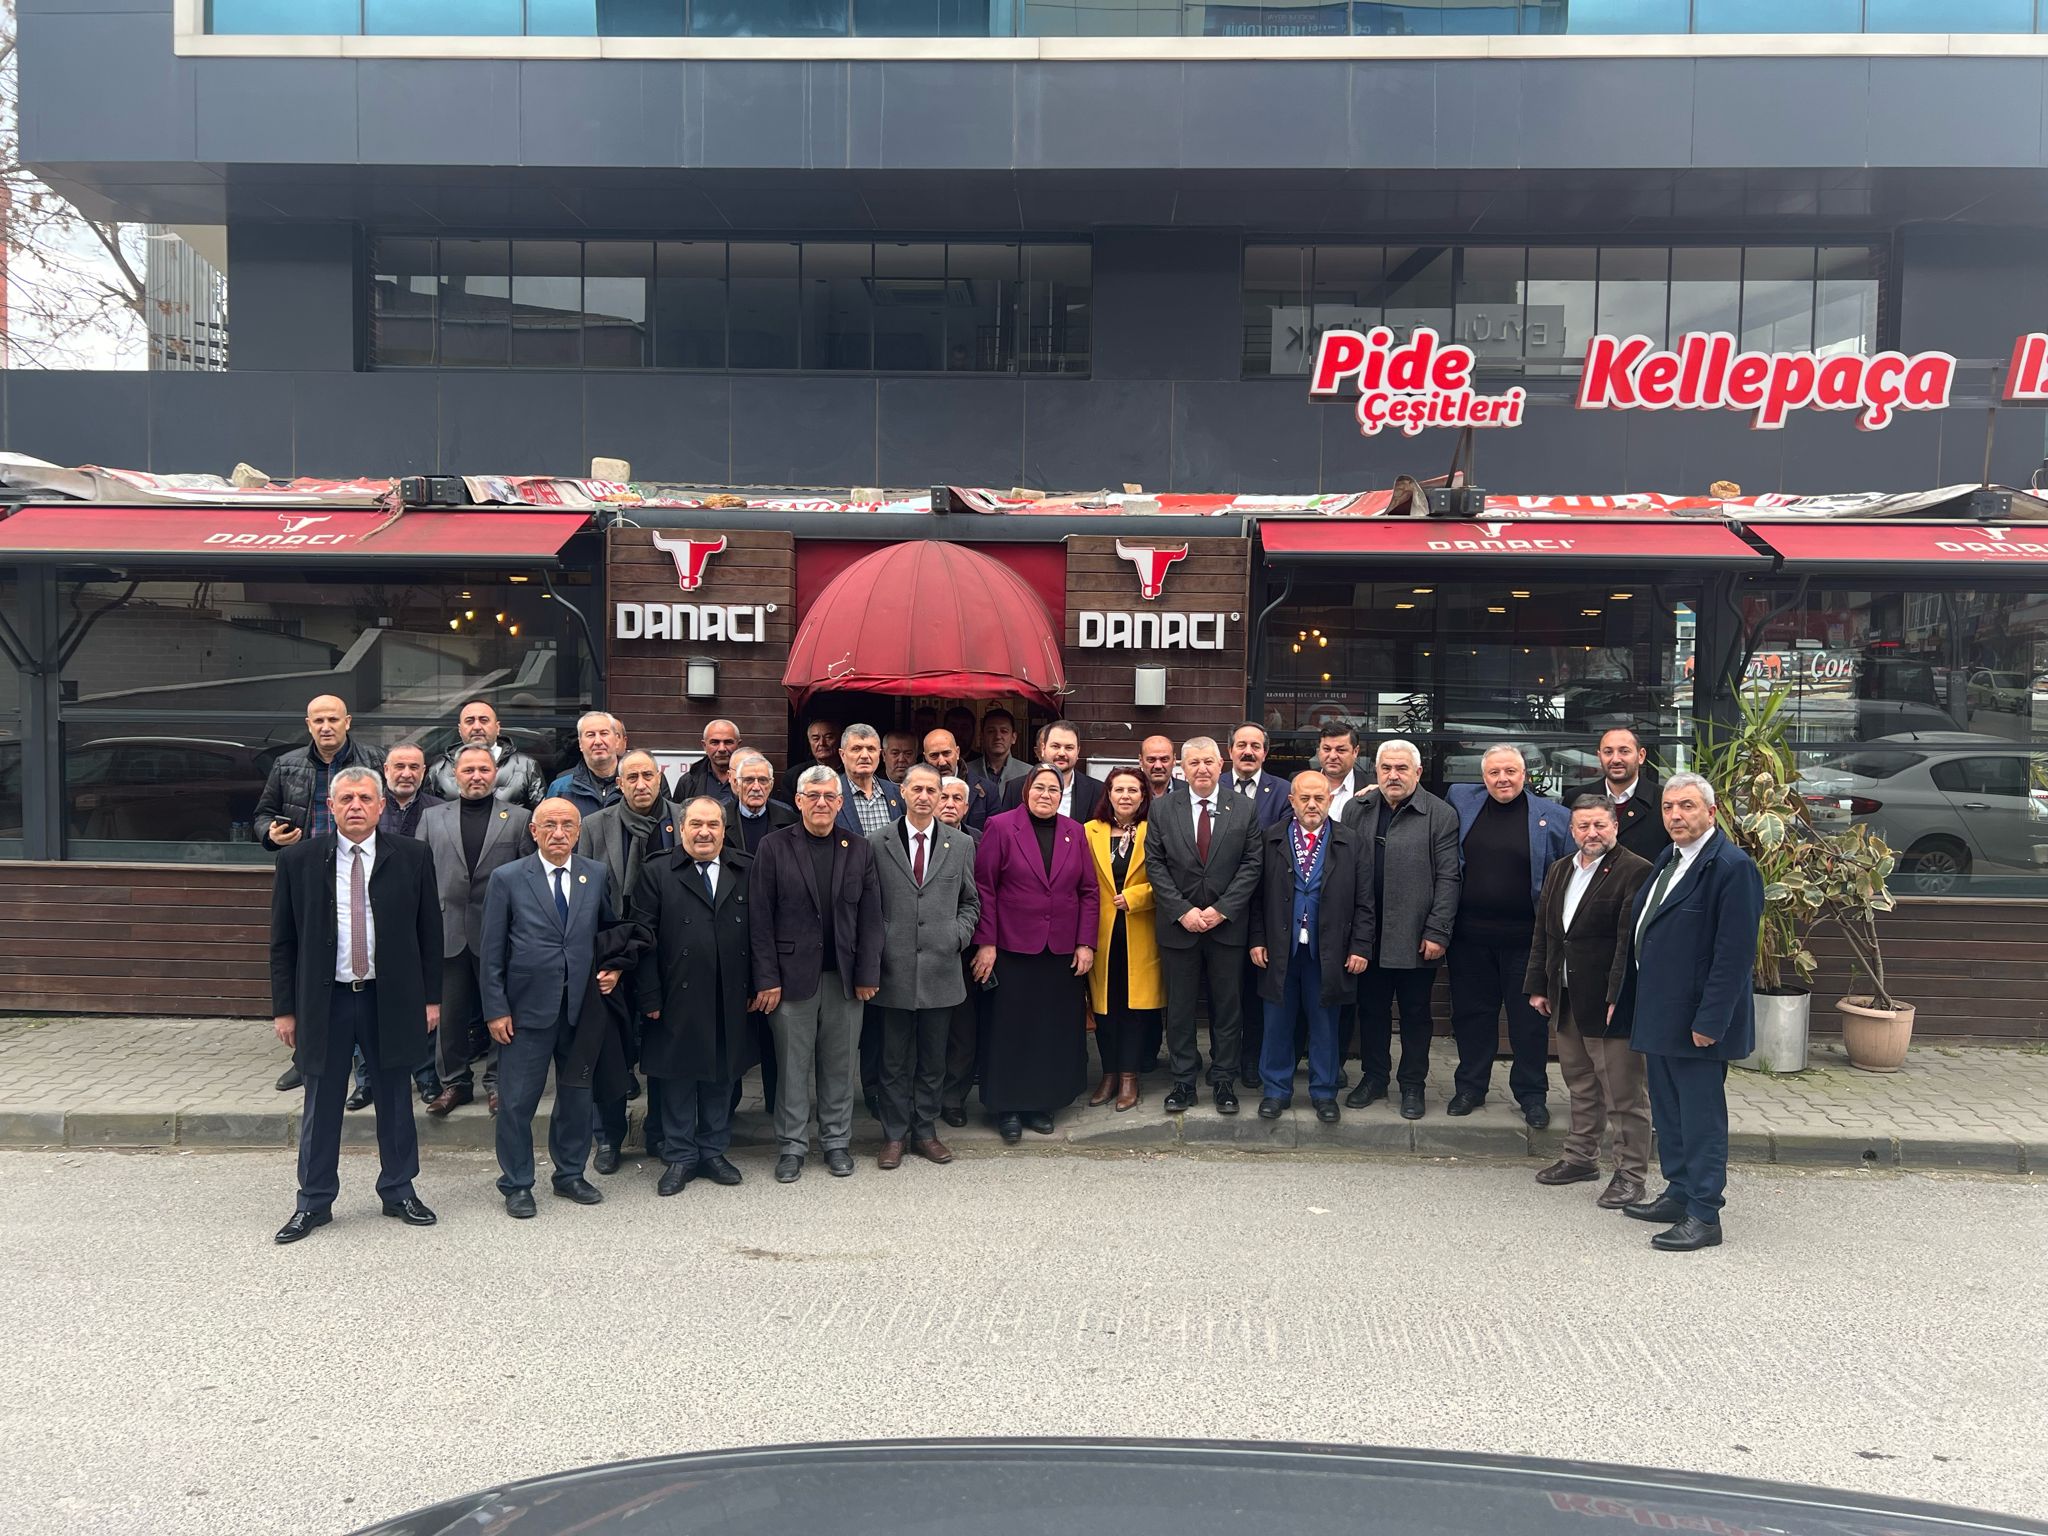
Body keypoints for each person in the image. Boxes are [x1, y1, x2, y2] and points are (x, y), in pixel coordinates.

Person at [269, 765, 441, 1244]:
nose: (356, 806)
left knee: (395, 1099)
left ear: (381, 806)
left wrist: (431, 999)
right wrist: (285, 1009)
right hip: (326, 1001)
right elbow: (282, 942)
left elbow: (430, 932)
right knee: (321, 1102)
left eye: (365, 798)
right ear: (331, 807)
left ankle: (399, 1190)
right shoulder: (299, 861)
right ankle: (313, 1200)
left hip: (391, 999)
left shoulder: (412, 856)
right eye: (346, 799)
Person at [1619, 772, 1763, 1252]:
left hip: (1696, 1020)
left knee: (1700, 1118)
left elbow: (1734, 955)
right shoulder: (1671, 857)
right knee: (1669, 1112)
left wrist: (1710, 1021)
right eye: (1668, 807)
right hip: (1660, 1012)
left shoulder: (1731, 867)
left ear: (1711, 812)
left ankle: (1704, 1213)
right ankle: (1678, 1192)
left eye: (1687, 806)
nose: (1676, 815)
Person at [479, 797, 619, 1219]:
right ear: (534, 831)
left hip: (580, 1009)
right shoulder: (507, 878)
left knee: (576, 1098)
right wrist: (495, 1009)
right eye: (550, 825)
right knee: (517, 1102)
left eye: (567, 825)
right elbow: (491, 950)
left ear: (578, 832)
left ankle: (570, 1174)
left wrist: (613, 969)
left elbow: (609, 932)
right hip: (525, 1012)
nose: (559, 833)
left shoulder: (595, 874)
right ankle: (517, 1183)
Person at [751, 765, 884, 1184]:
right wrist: (767, 979)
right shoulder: (774, 847)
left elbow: (871, 918)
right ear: (799, 801)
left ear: (840, 802)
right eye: (813, 795)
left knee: (840, 1067)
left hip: (845, 979)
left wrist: (867, 972)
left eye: (829, 796)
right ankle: (792, 1147)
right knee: (792, 1069)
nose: (821, 803)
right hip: (791, 980)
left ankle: (836, 1143)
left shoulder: (859, 848)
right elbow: (760, 919)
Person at [1524, 796, 1654, 1210]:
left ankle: (1631, 1175)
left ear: (1614, 826)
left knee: (1623, 1093)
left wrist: (1619, 995)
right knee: (1580, 1084)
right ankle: (1581, 1158)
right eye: (1583, 826)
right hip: (1566, 996)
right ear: (1572, 830)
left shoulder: (1635, 870)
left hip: (1606, 1001)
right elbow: (1546, 933)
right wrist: (1539, 985)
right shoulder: (1561, 868)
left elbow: (1628, 942)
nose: (1591, 833)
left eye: (1599, 825)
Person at [634, 796, 759, 1197]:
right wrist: (649, 996)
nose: (704, 832)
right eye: (696, 825)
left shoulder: (746, 868)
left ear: (724, 830)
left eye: (713, 825)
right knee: (678, 1077)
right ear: (682, 829)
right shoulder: (657, 871)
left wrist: (759, 984)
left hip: (730, 992)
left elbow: (761, 932)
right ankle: (680, 1155)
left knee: (722, 1075)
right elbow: (642, 938)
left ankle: (713, 1151)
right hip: (676, 994)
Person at [1443, 744, 1573, 1126]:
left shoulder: (1555, 817)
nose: (1502, 779)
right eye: (1494, 772)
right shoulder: (1460, 800)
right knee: (1472, 1017)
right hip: (1470, 939)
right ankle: (1470, 1088)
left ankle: (1532, 1095)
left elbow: (1568, 876)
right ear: (1482, 778)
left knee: (1528, 1022)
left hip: (1526, 941)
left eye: (1510, 772)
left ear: (1524, 775)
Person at [971, 765, 1098, 1143]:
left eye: (1053, 790)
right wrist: (987, 942)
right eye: (1039, 787)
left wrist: (1085, 942)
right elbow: (985, 887)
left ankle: (1043, 1103)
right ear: (1026, 791)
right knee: (1010, 1029)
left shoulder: (1075, 832)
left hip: (1060, 950)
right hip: (1011, 948)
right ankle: (1007, 1108)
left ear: (1062, 796)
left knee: (1050, 1029)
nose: (1046, 795)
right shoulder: (1000, 826)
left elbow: (1088, 891)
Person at [1340, 739, 1460, 1120]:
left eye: (1402, 768)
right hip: (1367, 935)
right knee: (1371, 1010)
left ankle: (1412, 1085)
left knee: (1415, 1014)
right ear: (1376, 772)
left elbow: (1449, 877)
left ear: (1418, 772)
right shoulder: (1356, 809)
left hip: (1415, 935)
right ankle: (1374, 1077)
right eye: (1386, 768)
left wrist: (1438, 930)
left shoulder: (1440, 814)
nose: (1393, 775)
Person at [867, 764, 980, 1169]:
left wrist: (956, 935)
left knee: (933, 1059)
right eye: (917, 788)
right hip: (892, 969)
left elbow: (971, 901)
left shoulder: (960, 844)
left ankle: (925, 1131)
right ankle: (894, 1135)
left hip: (941, 969)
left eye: (932, 790)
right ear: (902, 792)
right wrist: (880, 940)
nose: (925, 796)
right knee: (893, 1061)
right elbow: (867, 902)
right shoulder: (876, 842)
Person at [1146, 736, 1264, 1114]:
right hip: (1178, 927)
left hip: (1226, 927)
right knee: (1180, 1009)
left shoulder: (1244, 807)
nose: (1202, 769)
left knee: (1227, 1007)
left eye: (1208, 762)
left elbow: (1252, 863)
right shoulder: (1163, 808)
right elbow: (1155, 864)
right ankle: (1183, 1081)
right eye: (1193, 763)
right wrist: (1183, 911)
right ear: (1182, 768)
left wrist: (1222, 909)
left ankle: (1224, 1079)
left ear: (1221, 765)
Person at [576, 748, 681, 1169]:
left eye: (647, 776)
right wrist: (599, 961)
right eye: (631, 777)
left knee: (664, 1045)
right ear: (619, 784)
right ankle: (608, 1138)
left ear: (660, 779)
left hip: (669, 952)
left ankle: (660, 1132)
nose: (641, 784)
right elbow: (583, 900)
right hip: (612, 952)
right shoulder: (594, 826)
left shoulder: (683, 819)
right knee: (609, 1049)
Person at [1248, 771, 1371, 1123]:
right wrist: (1257, 939)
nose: (1312, 805)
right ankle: (1275, 1091)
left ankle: (1324, 1093)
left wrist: (1360, 946)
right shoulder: (1271, 838)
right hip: (1279, 948)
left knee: (1325, 1025)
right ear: (1292, 801)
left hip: (1329, 949)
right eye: (1305, 798)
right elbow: (1255, 898)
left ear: (1330, 800)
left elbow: (1365, 901)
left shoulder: (1350, 841)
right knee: (1277, 1023)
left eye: (1319, 798)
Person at [421, 745, 531, 1119]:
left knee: (502, 1010)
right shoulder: (432, 818)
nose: (476, 776)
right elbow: (420, 877)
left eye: (483, 769)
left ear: (495, 773)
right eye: (468, 770)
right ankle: (455, 1083)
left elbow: (527, 878)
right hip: (448, 929)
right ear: (455, 774)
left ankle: (498, 1083)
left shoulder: (518, 819)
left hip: (499, 932)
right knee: (450, 1015)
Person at [1083, 766, 1160, 1113]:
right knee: (1104, 1007)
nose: (1125, 796)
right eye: (1119, 790)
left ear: (1143, 796)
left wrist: (1137, 896)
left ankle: (1130, 1076)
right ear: (1108, 794)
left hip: (1139, 930)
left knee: (1132, 1008)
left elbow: (1171, 878)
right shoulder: (1089, 831)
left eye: (1133, 790)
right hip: (1099, 932)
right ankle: (1109, 1074)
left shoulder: (1154, 830)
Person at [934, 774, 984, 1128]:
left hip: (965, 949)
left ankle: (953, 1098)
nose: (949, 804)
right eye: (944, 797)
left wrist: (970, 940)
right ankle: (924, 1096)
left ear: (966, 807)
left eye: (957, 799)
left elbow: (984, 896)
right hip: (921, 948)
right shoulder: (913, 837)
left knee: (963, 1030)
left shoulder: (979, 841)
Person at [1566, 726, 1670, 862]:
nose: (1615, 759)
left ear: (1641, 756)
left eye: (1624, 751)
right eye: (1608, 752)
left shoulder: (1663, 800)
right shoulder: (1575, 798)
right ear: (1599, 757)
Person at [427, 699, 546, 808]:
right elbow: (429, 814)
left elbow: (540, 815)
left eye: (484, 720)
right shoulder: (439, 770)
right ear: (459, 729)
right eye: (469, 721)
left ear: (497, 727)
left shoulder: (526, 766)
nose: (477, 727)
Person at [1001, 720, 1103, 821]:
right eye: (1055, 746)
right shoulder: (1015, 788)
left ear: (1078, 752)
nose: (1062, 753)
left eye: (1069, 748)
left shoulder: (1097, 791)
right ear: (1043, 749)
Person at [547, 710, 627, 818]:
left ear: (617, 740)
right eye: (590, 735)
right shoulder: (561, 788)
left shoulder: (634, 783)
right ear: (580, 743)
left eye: (604, 733)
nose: (598, 741)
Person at [834, 722, 904, 836]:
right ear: (842, 755)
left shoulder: (897, 793)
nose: (865, 756)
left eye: (871, 749)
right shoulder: (830, 794)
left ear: (880, 754)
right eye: (856, 749)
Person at [724, 749, 797, 854]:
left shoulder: (791, 821)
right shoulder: (721, 820)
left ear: (771, 785)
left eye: (763, 780)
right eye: (749, 780)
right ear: (736, 783)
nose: (756, 787)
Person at [922, 729, 992, 832]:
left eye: (946, 753)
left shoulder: (988, 790)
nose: (942, 762)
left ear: (957, 752)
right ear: (925, 758)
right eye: (934, 756)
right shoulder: (913, 791)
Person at [1227, 724, 1292, 829]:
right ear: (1230, 751)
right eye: (1241, 745)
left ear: (1264, 754)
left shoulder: (1283, 791)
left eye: (1255, 746)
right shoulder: (1215, 787)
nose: (1248, 752)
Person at [675, 718, 741, 809]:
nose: (722, 749)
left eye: (728, 742)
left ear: (738, 745)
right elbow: (677, 815)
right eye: (715, 743)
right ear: (704, 746)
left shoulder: (754, 780)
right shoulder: (688, 781)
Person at [378, 743, 439, 840]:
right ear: (386, 770)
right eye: (399, 767)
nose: (406, 774)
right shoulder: (368, 807)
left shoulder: (440, 811)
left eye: (414, 767)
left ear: (423, 772)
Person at [1317, 720, 1371, 824]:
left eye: (1341, 750)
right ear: (1319, 751)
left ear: (1355, 752)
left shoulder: (1371, 788)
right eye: (1327, 749)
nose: (1332, 756)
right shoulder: (1298, 781)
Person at [779, 718, 841, 804]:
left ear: (839, 740)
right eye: (816, 739)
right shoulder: (794, 775)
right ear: (809, 742)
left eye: (829, 737)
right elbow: (787, 809)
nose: (822, 743)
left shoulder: (851, 772)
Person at [974, 707, 1029, 787]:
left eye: (1004, 731)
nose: (998, 736)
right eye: (991, 731)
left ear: (1013, 738)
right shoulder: (967, 771)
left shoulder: (1028, 773)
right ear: (982, 736)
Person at [1139, 735, 1178, 799]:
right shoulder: (1129, 793)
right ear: (1141, 761)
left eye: (1164, 759)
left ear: (1174, 760)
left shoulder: (1189, 791)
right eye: (1151, 759)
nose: (1158, 766)